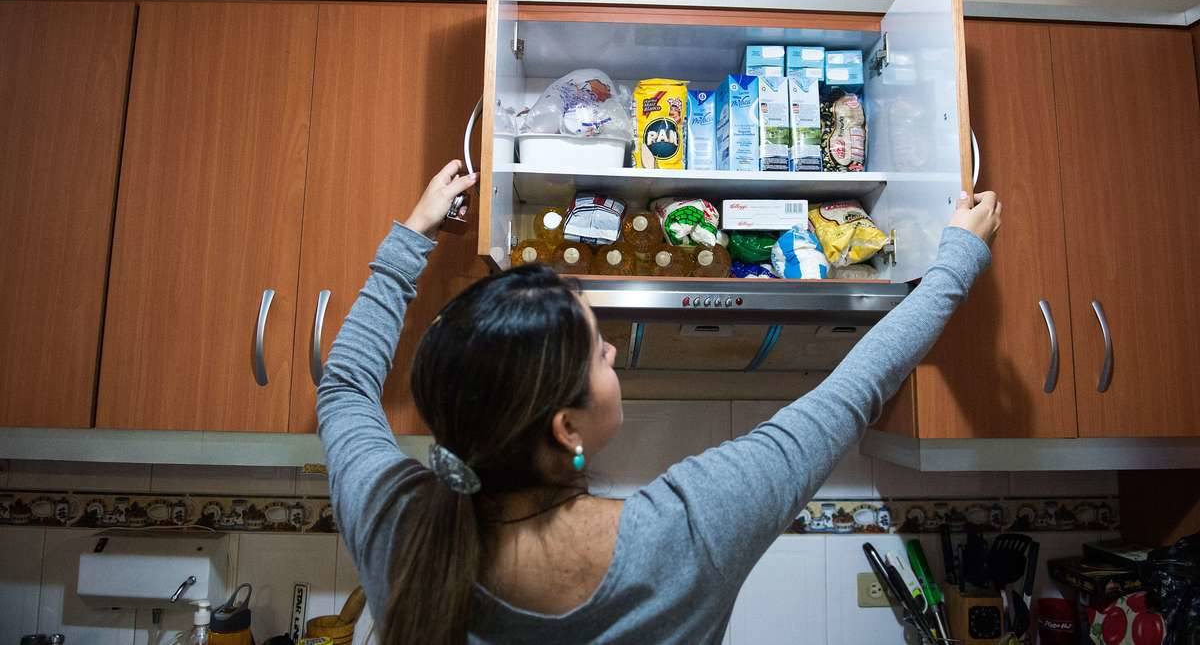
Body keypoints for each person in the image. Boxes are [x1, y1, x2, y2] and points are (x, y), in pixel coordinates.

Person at [317, 160, 1001, 645]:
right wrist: (957, 258)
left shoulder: (394, 525)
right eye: (597, 350)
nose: (613, 351)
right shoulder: (684, 533)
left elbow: (345, 386)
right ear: (567, 426)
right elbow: (853, 393)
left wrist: (414, 234)